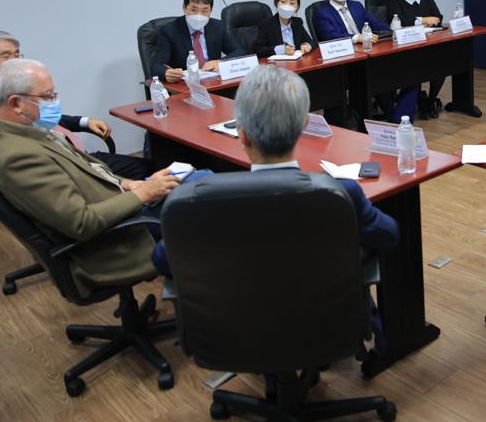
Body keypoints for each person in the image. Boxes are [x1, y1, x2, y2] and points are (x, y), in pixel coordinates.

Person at [149, 64, 399, 276]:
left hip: (237, 319)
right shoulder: (341, 193)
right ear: (304, 126)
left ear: (242, 134)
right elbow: (389, 235)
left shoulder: (200, 194)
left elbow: (162, 259)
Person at [0, 59, 182, 298]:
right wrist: (144, 193)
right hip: (117, 241)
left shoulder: (28, 132)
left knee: (201, 180)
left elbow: (90, 170)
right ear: (16, 103)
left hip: (122, 210)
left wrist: (127, 183)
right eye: (47, 97)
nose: (54, 102)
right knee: (210, 216)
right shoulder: (17, 156)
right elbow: (81, 223)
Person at [0, 30, 152, 179]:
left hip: (74, 154)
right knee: (150, 171)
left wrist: (85, 121)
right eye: (6, 56)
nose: (15, 62)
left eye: (17, 55)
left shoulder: (16, 88)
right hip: (59, 165)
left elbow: (45, 117)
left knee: (152, 167)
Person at [313, 0, 417, 123]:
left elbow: (375, 24)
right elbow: (329, 36)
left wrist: (397, 29)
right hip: (347, 62)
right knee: (378, 78)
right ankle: (396, 119)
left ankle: (398, 118)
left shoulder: (356, 6)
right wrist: (357, 37)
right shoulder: (321, 13)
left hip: (370, 54)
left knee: (412, 73)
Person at [385, 0, 445, 119]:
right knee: (415, 69)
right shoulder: (394, 1)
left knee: (441, 67)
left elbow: (438, 18)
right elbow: (398, 21)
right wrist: (424, 20)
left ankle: (430, 102)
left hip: (428, 43)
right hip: (405, 47)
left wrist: (419, 21)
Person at [150, 0, 242, 83]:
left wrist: (220, 62)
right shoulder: (169, 30)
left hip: (213, 82)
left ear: (210, 11)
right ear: (184, 8)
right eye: (194, 10)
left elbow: (239, 51)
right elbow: (156, 66)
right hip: (184, 84)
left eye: (204, 11)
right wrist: (166, 73)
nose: (199, 15)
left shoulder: (217, 26)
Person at [252, 0, 316, 58]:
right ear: (276, 2)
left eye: (292, 3)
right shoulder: (266, 25)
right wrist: (281, 49)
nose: (287, 6)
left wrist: (307, 45)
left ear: (297, 7)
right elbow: (258, 50)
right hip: (276, 64)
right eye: (283, 2)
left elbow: (311, 41)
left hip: (298, 62)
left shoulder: (297, 22)